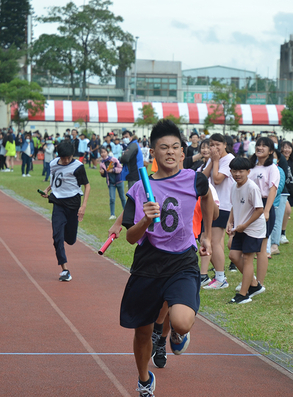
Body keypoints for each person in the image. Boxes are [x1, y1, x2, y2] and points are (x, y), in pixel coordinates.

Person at [119, 119, 213, 397]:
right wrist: (146, 221)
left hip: (182, 260)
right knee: (142, 332)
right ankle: (144, 378)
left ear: (183, 152)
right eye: (163, 147)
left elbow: (207, 199)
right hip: (148, 263)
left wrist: (205, 234)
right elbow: (131, 238)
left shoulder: (195, 179)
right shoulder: (139, 189)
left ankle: (175, 333)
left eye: (175, 147)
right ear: (153, 152)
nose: (170, 152)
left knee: (182, 320)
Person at [40, 140, 90, 282]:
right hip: (58, 203)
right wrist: (47, 190)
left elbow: (87, 186)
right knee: (57, 237)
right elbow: (55, 179)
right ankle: (65, 269)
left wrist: (83, 206)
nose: (65, 160)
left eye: (68, 157)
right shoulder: (53, 163)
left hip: (73, 203)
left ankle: (69, 237)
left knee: (70, 239)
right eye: (63, 157)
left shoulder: (78, 167)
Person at [227, 157, 266, 304]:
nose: (237, 174)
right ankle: (254, 285)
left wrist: (244, 225)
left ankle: (244, 295)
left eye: (241, 171)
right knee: (233, 255)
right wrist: (230, 222)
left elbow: (259, 209)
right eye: (234, 171)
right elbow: (234, 206)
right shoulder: (234, 186)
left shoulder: (252, 187)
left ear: (248, 172)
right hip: (241, 227)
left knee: (247, 259)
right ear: (230, 171)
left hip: (253, 228)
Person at [201, 133, 235, 290]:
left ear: (225, 145)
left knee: (214, 242)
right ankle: (219, 276)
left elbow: (217, 179)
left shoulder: (229, 160)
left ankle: (221, 278)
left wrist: (215, 161)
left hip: (223, 205)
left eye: (217, 145)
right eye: (211, 145)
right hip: (211, 205)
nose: (214, 148)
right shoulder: (213, 159)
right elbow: (201, 178)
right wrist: (212, 161)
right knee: (210, 241)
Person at [245, 137, 279, 290]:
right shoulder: (250, 166)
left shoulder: (272, 168)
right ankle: (250, 281)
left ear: (271, 151)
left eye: (265, 146)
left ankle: (259, 283)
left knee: (261, 248)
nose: (260, 148)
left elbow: (273, 189)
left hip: (264, 205)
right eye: (258, 145)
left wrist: (266, 211)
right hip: (249, 206)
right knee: (247, 247)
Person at [99, 146, 126, 220]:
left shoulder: (113, 159)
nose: (103, 154)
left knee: (122, 197)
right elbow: (104, 175)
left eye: (104, 152)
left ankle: (126, 212)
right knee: (112, 198)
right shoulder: (102, 163)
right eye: (101, 153)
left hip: (119, 181)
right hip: (111, 183)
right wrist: (102, 173)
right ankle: (112, 214)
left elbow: (120, 168)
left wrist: (113, 170)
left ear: (107, 152)